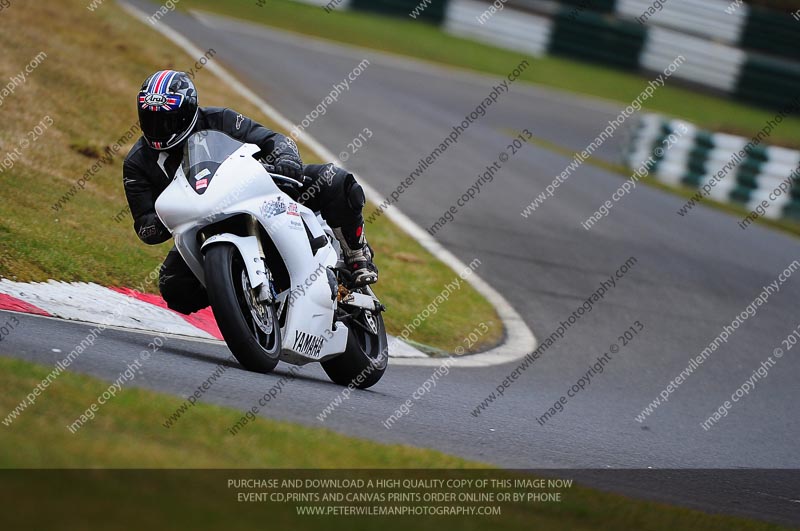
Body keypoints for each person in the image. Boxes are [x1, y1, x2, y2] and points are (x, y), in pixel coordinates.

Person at [123, 70, 377, 315]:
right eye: (150, 117)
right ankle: (237, 296)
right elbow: (145, 227)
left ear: (188, 110)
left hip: (253, 191)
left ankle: (356, 253)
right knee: (174, 288)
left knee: (335, 180)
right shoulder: (137, 163)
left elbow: (273, 140)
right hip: (200, 224)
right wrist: (166, 217)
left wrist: (286, 158)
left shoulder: (220, 119)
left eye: (167, 118)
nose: (158, 126)